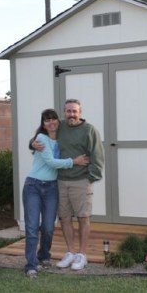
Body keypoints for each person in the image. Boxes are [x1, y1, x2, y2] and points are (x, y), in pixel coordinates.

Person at [31, 99, 104, 271]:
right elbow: (41, 134)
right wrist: (31, 143)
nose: (71, 114)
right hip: (61, 181)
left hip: (81, 181)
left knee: (83, 218)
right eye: (68, 111)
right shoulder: (60, 126)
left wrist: (90, 178)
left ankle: (82, 254)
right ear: (64, 112)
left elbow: (98, 156)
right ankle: (70, 252)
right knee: (64, 218)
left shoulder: (89, 130)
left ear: (80, 112)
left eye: (74, 111)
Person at [23, 108, 89, 278]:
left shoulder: (62, 137)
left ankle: (44, 255)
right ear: (43, 124)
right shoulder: (41, 138)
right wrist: (74, 161)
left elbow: (77, 129)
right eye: (47, 120)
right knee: (31, 227)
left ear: (58, 121)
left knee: (48, 227)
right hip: (33, 186)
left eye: (53, 119)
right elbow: (52, 162)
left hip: (52, 187)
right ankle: (31, 265)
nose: (51, 122)